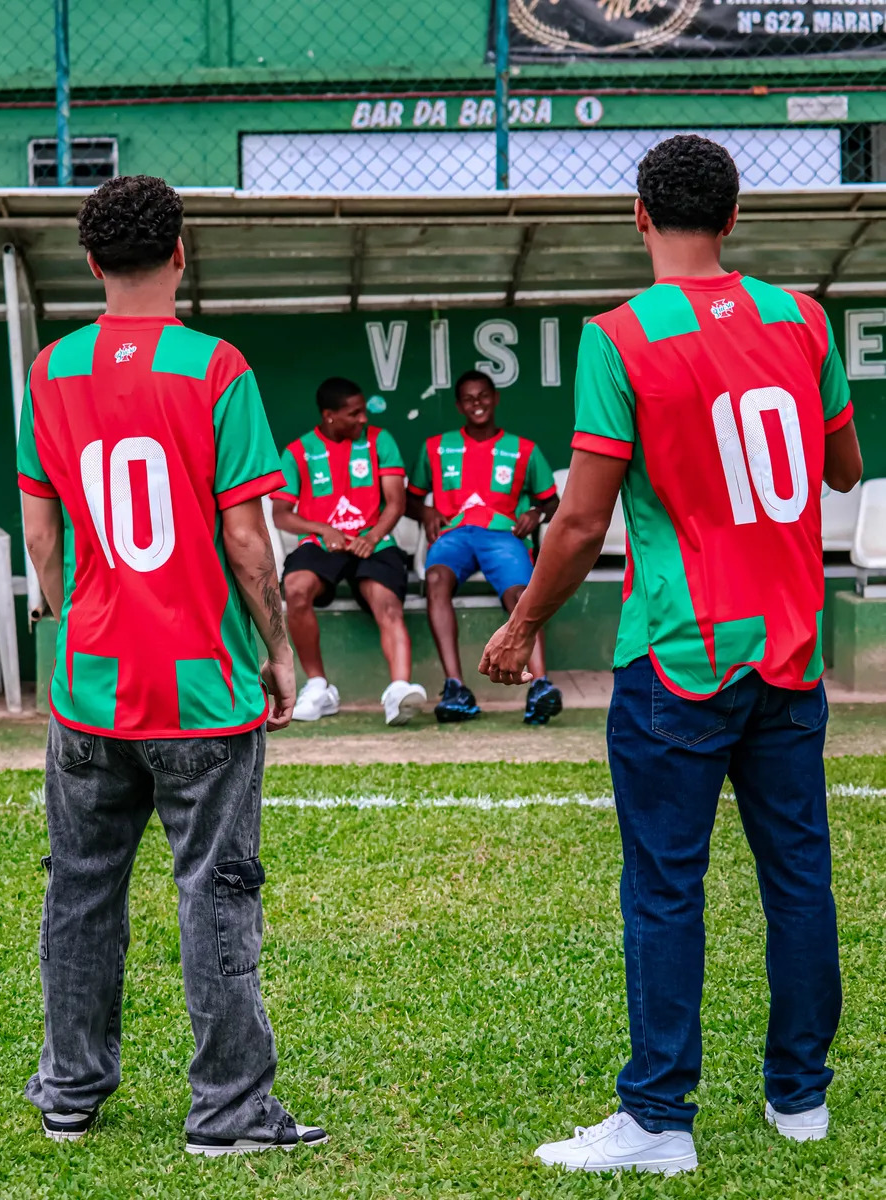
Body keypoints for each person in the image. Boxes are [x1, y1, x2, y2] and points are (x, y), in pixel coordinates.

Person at [480, 134, 862, 1175]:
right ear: (734, 218)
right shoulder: (803, 319)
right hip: (790, 652)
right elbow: (844, 468)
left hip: (681, 657)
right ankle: (800, 1098)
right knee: (799, 878)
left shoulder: (620, 337)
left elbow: (578, 521)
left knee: (664, 887)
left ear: (640, 215)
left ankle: (657, 1120)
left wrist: (519, 626)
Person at [17, 175, 327, 1158]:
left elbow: (40, 532)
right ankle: (229, 1113)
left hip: (91, 685)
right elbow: (248, 535)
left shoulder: (51, 369)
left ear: (92, 263)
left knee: (79, 888)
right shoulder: (215, 367)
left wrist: (68, 616)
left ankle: (70, 1092)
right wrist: (278, 650)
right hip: (200, 687)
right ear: (181, 253)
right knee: (217, 890)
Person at [407, 369, 562, 724]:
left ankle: (540, 685)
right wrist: (426, 510)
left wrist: (537, 513)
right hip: (454, 534)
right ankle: (456, 688)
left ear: (496, 398)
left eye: (483, 396)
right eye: (468, 399)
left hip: (503, 535)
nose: (477, 403)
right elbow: (409, 500)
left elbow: (553, 502)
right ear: (459, 406)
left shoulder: (524, 449)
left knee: (522, 594)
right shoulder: (435, 447)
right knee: (435, 580)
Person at [271, 378, 426, 725]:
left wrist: (373, 536)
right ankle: (318, 687)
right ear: (329, 415)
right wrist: (323, 529)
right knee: (295, 588)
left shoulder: (379, 441)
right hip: (324, 544)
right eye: (353, 413)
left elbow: (396, 503)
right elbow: (281, 514)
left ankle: (399, 690)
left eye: (364, 411)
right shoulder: (298, 451)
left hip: (375, 541)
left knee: (386, 601)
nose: (362, 419)